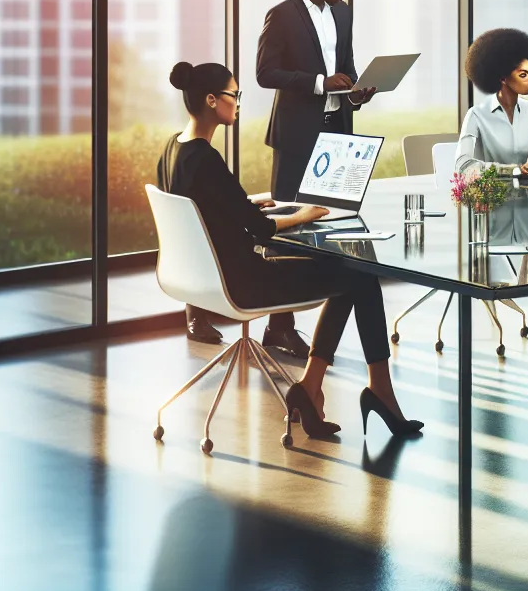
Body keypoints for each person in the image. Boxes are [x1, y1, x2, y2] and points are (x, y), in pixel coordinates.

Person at [158, 61, 419, 440]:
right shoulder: (206, 158)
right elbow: (261, 229)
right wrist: (302, 214)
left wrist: (248, 204)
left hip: (204, 278)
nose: (238, 103)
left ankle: (316, 387)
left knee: (352, 274)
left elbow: (203, 206)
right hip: (243, 282)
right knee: (359, 274)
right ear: (212, 100)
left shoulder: (174, 148)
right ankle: (361, 388)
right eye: (234, 95)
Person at [194, 0, 374, 359]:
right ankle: (280, 326)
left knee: (332, 224)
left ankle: (309, 325)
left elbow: (345, 66)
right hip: (296, 135)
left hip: (337, 132)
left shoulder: (343, 14)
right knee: (288, 230)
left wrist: (355, 91)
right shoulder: (281, 15)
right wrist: (319, 83)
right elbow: (264, 73)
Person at [456, 29, 528, 245]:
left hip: (526, 217)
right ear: (502, 77)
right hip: (490, 217)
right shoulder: (476, 115)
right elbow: (463, 166)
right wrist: (514, 170)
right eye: (523, 74)